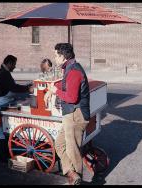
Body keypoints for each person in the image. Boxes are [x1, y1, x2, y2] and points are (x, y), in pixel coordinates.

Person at [46, 43, 90, 185]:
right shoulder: (69, 68)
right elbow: (66, 85)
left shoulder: (74, 71)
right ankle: (72, 175)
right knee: (59, 145)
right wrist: (52, 89)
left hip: (75, 115)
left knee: (73, 151)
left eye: (56, 55)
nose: (54, 58)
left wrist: (54, 91)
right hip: (70, 114)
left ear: (63, 57)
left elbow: (71, 98)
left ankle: (76, 181)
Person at [0, 54, 34, 162]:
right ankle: (1, 155)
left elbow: (12, 88)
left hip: (3, 101)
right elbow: (13, 88)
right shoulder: (3, 73)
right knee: (0, 130)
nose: (15, 67)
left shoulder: (3, 72)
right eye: (14, 64)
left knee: (3, 129)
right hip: (0, 103)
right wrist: (27, 89)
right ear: (9, 63)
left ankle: (5, 152)